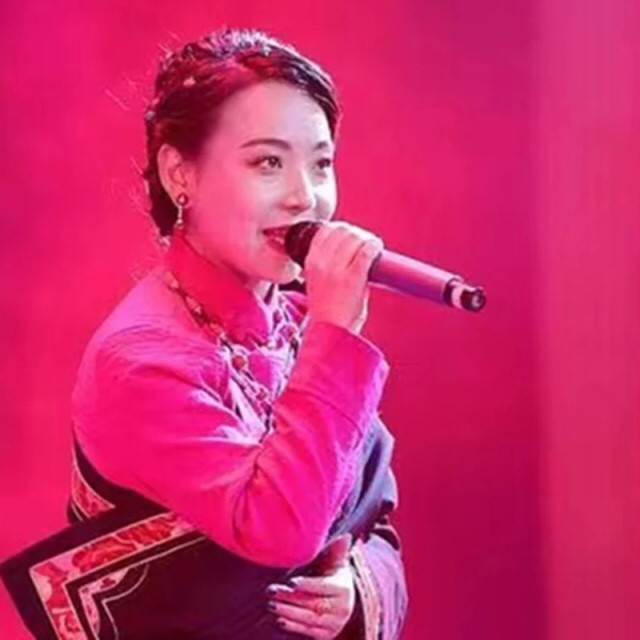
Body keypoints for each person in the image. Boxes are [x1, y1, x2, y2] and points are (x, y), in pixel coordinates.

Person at [0, 28, 407, 639]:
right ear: (178, 173)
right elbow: (281, 530)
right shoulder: (140, 360)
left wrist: (354, 586)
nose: (305, 196)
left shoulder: (296, 324)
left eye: (321, 164)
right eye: (268, 163)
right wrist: (335, 333)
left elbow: (374, 522)